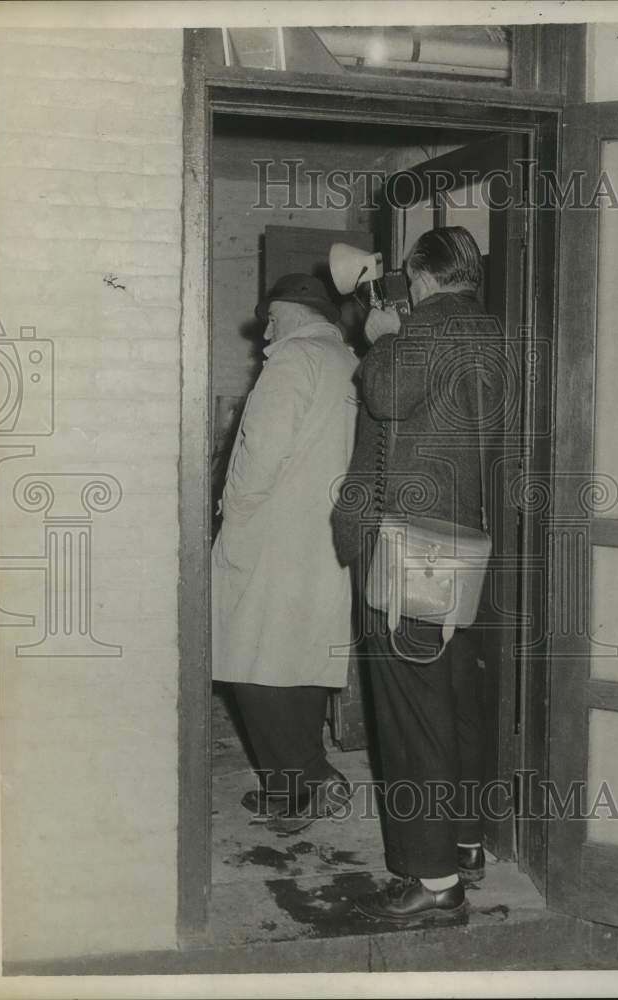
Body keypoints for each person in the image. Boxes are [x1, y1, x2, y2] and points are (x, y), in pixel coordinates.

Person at [332, 227, 493, 922]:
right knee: (455, 702)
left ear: (421, 277)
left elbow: (390, 394)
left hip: (408, 546)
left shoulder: (423, 331)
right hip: (467, 545)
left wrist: (381, 338)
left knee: (410, 716)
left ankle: (433, 884)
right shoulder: (495, 332)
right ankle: (462, 841)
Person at [212, 273, 358, 833]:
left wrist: (233, 519)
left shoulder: (292, 363)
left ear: (295, 314)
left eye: (272, 317)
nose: (266, 329)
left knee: (251, 664)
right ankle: (309, 775)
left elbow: (258, 455)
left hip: (273, 536)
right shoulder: (345, 360)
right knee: (297, 662)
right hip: (320, 538)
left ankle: (295, 789)